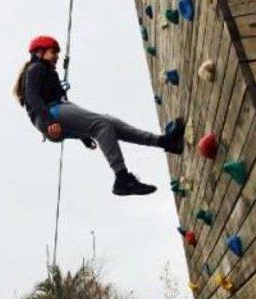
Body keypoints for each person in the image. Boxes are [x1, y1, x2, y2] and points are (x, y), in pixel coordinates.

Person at [13, 35, 185, 196]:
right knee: (101, 125)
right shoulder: (35, 68)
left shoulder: (49, 73)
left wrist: (84, 137)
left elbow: (71, 115)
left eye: (57, 53)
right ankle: (122, 178)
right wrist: (49, 121)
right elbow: (33, 97)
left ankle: (165, 142)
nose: (56, 56)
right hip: (51, 114)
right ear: (39, 52)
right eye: (53, 52)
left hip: (56, 114)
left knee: (110, 123)